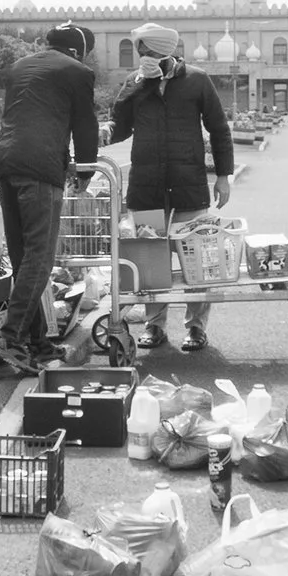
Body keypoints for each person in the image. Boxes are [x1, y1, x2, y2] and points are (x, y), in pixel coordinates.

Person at [105, 21, 233, 353]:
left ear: (165, 51)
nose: (143, 57)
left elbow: (219, 128)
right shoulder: (135, 82)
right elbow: (120, 126)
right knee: (150, 257)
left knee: (197, 258)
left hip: (188, 182)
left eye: (148, 51)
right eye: (141, 52)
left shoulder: (196, 80)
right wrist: (134, 89)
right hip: (147, 184)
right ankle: (155, 325)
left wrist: (223, 175)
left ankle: (196, 327)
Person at [0, 22, 99, 376]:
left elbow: (17, 118)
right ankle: (12, 338)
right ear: (78, 51)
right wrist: (85, 171)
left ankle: (38, 343)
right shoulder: (77, 71)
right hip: (40, 169)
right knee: (39, 258)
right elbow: (85, 125)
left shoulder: (19, 67)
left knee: (23, 260)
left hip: (7, 166)